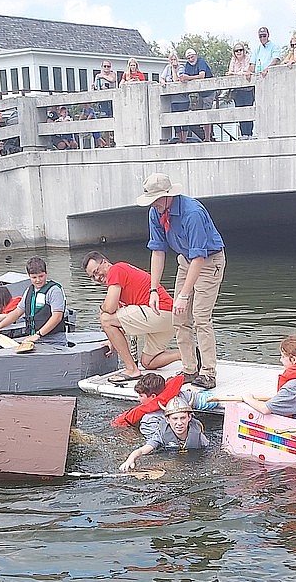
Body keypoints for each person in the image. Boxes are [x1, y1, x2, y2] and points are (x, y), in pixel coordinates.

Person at [137, 173, 226, 389]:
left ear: (169, 195)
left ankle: (208, 372)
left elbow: (199, 256)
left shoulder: (192, 213)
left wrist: (184, 295)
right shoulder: (155, 212)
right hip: (185, 260)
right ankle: (189, 368)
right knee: (179, 318)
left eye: (158, 199)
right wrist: (153, 290)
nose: (155, 204)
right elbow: (157, 251)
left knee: (201, 317)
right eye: (152, 200)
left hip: (208, 260)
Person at [83, 251, 181, 382]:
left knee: (105, 319)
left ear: (105, 263)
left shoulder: (115, 270)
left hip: (159, 310)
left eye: (96, 271)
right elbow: (121, 322)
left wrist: (102, 308)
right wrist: (112, 340)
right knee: (148, 362)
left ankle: (132, 370)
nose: (96, 277)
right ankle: (187, 355)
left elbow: (110, 308)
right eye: (92, 276)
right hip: (170, 317)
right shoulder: (120, 280)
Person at [0, 256, 67, 345]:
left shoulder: (54, 290)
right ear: (29, 276)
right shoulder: (29, 291)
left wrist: (38, 335)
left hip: (54, 340)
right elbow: (17, 312)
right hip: (34, 338)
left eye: (41, 276)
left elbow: (57, 317)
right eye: (34, 277)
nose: (38, 280)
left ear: (46, 273)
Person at [119, 397, 210, 472]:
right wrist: (131, 458)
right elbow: (143, 450)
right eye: (175, 418)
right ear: (167, 420)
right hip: (168, 455)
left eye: (183, 418)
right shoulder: (161, 434)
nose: (179, 423)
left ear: (189, 417)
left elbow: (208, 452)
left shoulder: (198, 435)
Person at [112, 373, 187, 428]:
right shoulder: (174, 394)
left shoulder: (149, 418)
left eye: (141, 396)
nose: (138, 398)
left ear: (153, 396)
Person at [181, 49, 215, 141]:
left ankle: (208, 138)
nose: (191, 59)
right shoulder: (188, 65)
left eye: (192, 57)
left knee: (206, 114)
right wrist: (184, 78)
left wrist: (188, 78)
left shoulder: (201, 62)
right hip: (200, 93)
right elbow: (185, 76)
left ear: (196, 55)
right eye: (188, 58)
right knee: (200, 115)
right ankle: (206, 136)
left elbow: (202, 75)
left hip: (209, 91)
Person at [161, 53, 194, 143]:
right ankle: (180, 139)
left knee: (184, 119)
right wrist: (163, 81)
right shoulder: (167, 68)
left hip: (183, 99)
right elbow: (162, 78)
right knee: (176, 121)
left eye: (174, 59)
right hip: (173, 100)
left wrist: (174, 69)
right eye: (171, 60)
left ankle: (184, 139)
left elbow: (176, 80)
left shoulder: (181, 68)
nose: (173, 62)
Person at [227, 41, 255, 139]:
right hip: (237, 90)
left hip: (248, 89)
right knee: (240, 112)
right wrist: (238, 73)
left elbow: (248, 71)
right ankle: (243, 134)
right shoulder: (233, 60)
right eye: (236, 50)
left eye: (240, 50)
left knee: (248, 111)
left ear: (244, 50)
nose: (239, 52)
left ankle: (249, 133)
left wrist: (236, 73)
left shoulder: (248, 58)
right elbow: (230, 72)